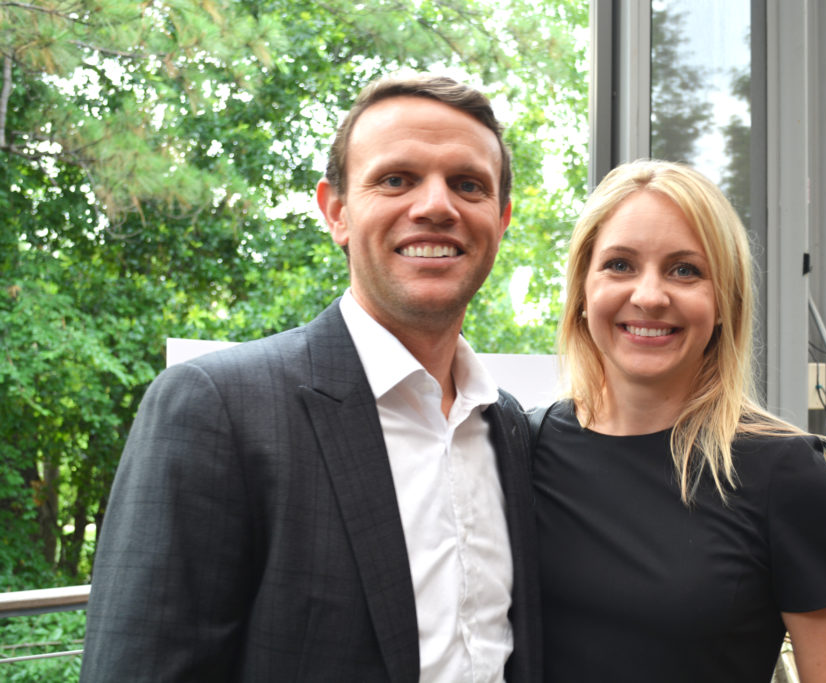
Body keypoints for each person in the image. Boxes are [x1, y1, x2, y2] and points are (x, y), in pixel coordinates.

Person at [81, 73, 541, 682]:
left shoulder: (507, 426)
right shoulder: (216, 407)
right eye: (396, 179)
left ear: (501, 219)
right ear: (337, 213)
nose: (435, 206)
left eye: (468, 184)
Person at [531, 160, 826, 682]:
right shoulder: (524, 445)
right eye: (620, 264)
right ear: (582, 290)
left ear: (724, 303)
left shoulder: (783, 474)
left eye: (685, 270)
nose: (648, 296)